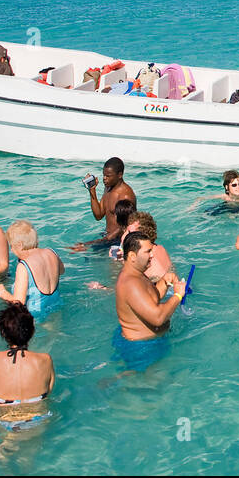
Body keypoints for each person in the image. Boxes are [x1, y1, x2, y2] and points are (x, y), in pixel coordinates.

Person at [115, 231, 186, 370]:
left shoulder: (136, 275)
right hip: (142, 350)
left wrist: (164, 282)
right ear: (132, 256)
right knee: (155, 388)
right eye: (148, 251)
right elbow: (158, 318)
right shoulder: (131, 284)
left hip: (147, 344)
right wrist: (177, 296)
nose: (152, 255)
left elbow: (148, 300)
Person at [0, 302, 55, 429]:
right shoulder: (45, 359)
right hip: (38, 419)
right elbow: (48, 391)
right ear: (32, 332)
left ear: (4, 334)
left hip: (6, 421)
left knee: (6, 446)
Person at [0, 220, 64, 318]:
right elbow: (61, 271)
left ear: (20, 245)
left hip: (35, 314)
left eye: (11, 246)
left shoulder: (23, 266)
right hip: (56, 305)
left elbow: (19, 303)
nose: (12, 250)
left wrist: (2, 293)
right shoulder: (51, 252)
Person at [74, 157, 135, 248]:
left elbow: (126, 226)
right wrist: (92, 190)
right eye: (103, 175)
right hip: (107, 237)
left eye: (108, 176)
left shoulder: (126, 196)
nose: (104, 179)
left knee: (84, 251)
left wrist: (90, 244)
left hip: (119, 241)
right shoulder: (108, 188)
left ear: (120, 175)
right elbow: (98, 215)